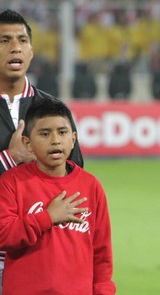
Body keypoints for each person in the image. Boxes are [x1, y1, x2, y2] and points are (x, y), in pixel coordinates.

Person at [0, 8, 84, 293]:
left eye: (22, 41)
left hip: (40, 255)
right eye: (5, 41)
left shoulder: (52, 110)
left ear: (32, 51)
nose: (16, 48)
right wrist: (9, 159)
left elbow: (76, 182)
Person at [0, 97, 115, 294]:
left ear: (73, 139)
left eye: (62, 132)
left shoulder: (91, 186)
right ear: (27, 143)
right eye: (45, 134)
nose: (55, 140)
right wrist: (47, 217)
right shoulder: (12, 182)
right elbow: (3, 235)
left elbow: (101, 254)